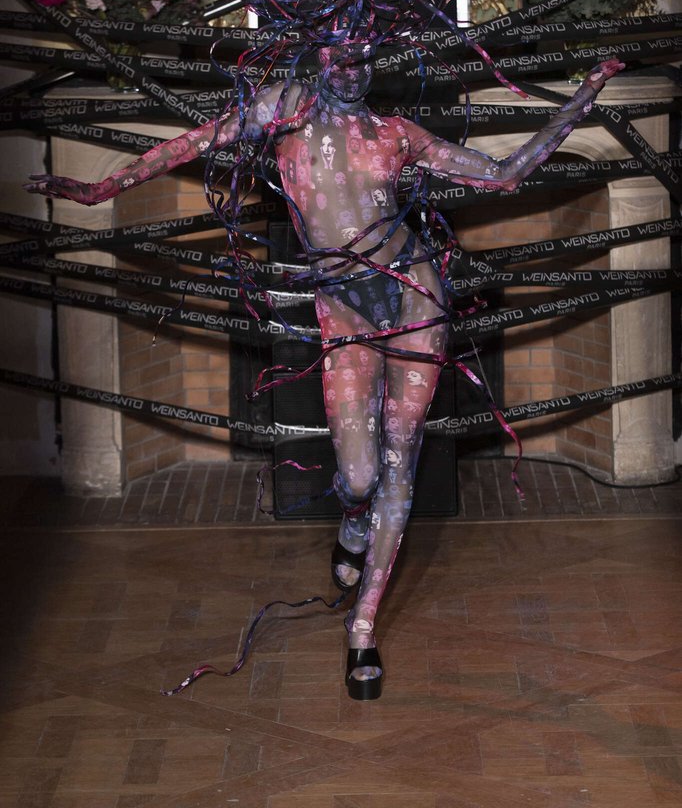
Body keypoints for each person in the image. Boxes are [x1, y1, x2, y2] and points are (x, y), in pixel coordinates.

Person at [26, 46, 625, 700]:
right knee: (360, 475)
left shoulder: (395, 133)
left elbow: (505, 175)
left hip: (415, 295)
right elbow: (196, 141)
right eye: (338, 55)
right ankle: (352, 520)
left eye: (363, 57)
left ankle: (362, 626)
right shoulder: (284, 111)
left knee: (401, 452)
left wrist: (584, 96)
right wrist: (102, 188)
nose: (350, 69)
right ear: (317, 54)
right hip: (344, 308)